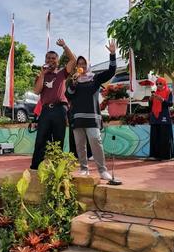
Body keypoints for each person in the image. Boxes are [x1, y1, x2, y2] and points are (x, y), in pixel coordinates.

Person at [65, 40, 116, 180]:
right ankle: (83, 168)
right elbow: (68, 95)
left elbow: (111, 71)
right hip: (77, 117)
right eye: (79, 64)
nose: (81, 66)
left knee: (96, 141)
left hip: (92, 118)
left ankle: (102, 170)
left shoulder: (95, 79)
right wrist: (74, 82)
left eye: (83, 63)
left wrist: (112, 54)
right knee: (80, 145)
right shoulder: (73, 80)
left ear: (88, 65)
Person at [30, 39, 76, 170]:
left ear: (57, 60)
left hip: (59, 109)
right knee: (40, 139)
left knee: (58, 139)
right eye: (48, 58)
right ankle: (35, 167)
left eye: (53, 58)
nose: (50, 60)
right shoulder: (42, 75)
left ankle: (57, 168)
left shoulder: (62, 73)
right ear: (45, 60)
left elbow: (73, 60)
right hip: (45, 111)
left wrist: (64, 46)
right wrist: (42, 75)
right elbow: (37, 91)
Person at [149, 77, 174, 160]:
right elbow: (150, 106)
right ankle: (154, 156)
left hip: (164, 116)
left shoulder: (168, 92)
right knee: (155, 136)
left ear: (164, 84)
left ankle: (165, 156)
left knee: (164, 136)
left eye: (160, 83)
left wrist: (162, 99)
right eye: (157, 84)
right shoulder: (155, 93)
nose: (158, 85)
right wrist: (150, 99)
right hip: (155, 117)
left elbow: (170, 104)